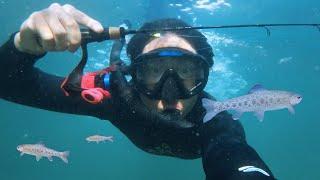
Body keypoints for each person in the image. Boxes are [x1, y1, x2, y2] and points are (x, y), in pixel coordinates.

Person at [0, 3, 276, 180]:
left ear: (203, 78)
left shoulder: (217, 122)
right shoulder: (115, 97)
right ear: (133, 75)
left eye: (186, 73)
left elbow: (235, 157)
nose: (171, 93)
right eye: (153, 71)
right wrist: (21, 47)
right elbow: (7, 84)